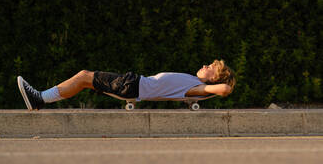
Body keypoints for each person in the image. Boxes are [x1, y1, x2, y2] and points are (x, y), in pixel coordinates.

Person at [17, 59, 236, 110]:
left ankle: (40, 98)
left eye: (211, 67)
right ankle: (41, 99)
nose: (206, 65)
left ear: (213, 78)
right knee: (85, 78)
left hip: (132, 85)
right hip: (132, 83)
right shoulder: (194, 82)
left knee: (84, 76)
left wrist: (219, 86)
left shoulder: (199, 88)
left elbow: (225, 89)